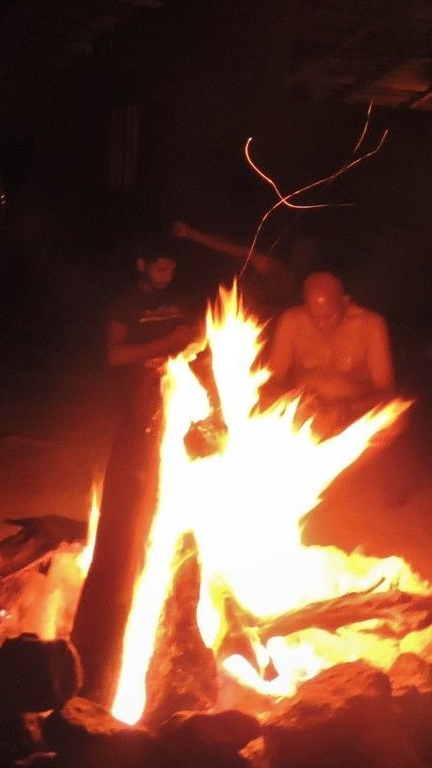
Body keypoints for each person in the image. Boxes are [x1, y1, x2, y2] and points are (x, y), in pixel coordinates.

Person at [71, 233, 202, 705]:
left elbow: (197, 335)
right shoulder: (124, 305)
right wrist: (166, 343)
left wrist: (185, 347)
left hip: (174, 392)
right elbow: (114, 355)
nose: (166, 277)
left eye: (171, 270)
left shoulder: (180, 300)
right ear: (142, 263)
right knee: (131, 491)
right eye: (160, 269)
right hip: (136, 397)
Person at [264, 270, 394, 428]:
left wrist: (344, 409)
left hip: (352, 415)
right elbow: (271, 381)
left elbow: (386, 392)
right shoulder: (292, 320)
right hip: (301, 413)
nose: (321, 324)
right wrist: (293, 401)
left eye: (329, 316)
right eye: (314, 316)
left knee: (395, 417)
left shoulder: (370, 325)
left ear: (344, 301)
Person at [168, 218, 323, 316]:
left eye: (307, 253)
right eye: (300, 251)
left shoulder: (315, 290)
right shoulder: (278, 270)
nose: (303, 256)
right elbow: (241, 252)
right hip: (249, 329)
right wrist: (191, 233)